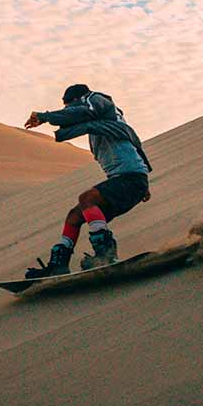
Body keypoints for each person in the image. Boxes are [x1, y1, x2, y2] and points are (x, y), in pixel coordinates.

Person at [23, 84, 152, 278]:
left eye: (69, 107)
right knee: (74, 216)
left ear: (78, 100)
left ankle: (105, 253)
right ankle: (58, 264)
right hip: (125, 181)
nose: (69, 111)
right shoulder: (104, 125)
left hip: (131, 178)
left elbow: (83, 113)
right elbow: (134, 142)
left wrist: (45, 116)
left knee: (87, 199)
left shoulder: (97, 100)